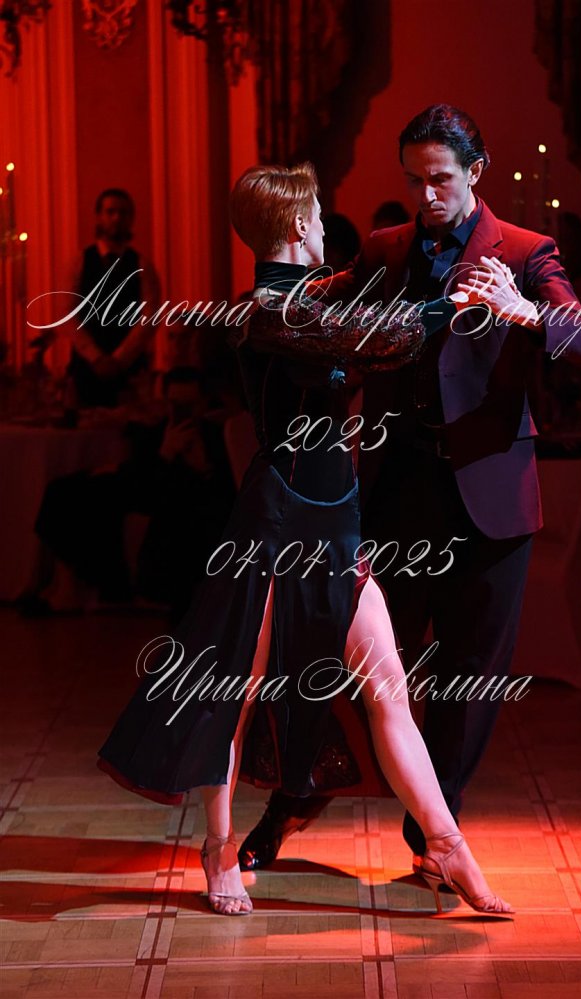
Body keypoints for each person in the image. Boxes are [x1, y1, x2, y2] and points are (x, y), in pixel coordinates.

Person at [98, 161, 513, 918]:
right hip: (279, 524)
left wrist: (442, 271)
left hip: (337, 524)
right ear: (296, 224)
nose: (325, 224)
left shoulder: (310, 300)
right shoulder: (265, 312)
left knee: (388, 687)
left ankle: (447, 844)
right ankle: (219, 848)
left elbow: (371, 311)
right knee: (237, 694)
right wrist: (453, 303)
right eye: (318, 213)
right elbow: (378, 337)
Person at [239, 103, 581, 872]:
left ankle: (433, 838)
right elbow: (319, 297)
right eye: (414, 180)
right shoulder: (387, 248)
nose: (426, 195)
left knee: (468, 682)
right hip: (398, 490)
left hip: (491, 497)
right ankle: (295, 795)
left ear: (476, 171)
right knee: (347, 659)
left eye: (440, 179)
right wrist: (268, 287)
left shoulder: (527, 251)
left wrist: (526, 313)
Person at [32, 367, 236, 618]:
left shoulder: (219, 435)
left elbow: (219, 487)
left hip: (175, 494)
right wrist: (162, 454)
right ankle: (65, 585)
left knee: (93, 493)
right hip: (147, 482)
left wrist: (201, 467)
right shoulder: (160, 428)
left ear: (203, 403)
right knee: (63, 490)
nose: (182, 411)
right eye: (175, 404)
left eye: (189, 405)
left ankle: (93, 590)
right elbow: (142, 468)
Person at [64, 189, 161, 407]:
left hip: (129, 370)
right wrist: (96, 357)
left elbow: (149, 317)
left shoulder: (143, 266)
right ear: (99, 216)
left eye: (123, 213)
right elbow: (69, 315)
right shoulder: (79, 262)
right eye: (110, 212)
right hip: (86, 368)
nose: (117, 218)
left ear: (131, 219)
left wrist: (119, 358)